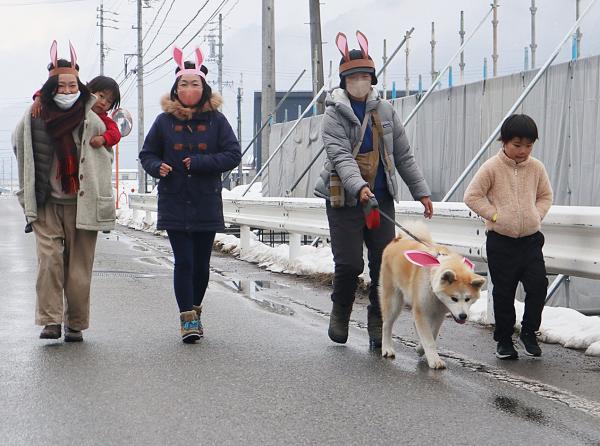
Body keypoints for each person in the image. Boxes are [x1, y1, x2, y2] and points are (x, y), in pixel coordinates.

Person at [314, 31, 433, 349]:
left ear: (372, 77)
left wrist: (421, 192)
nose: (359, 81)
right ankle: (340, 311)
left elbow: (403, 155)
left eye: (364, 75)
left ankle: (378, 322)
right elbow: (340, 157)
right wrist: (360, 188)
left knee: (384, 263)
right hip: (344, 200)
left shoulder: (387, 111)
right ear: (344, 80)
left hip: (381, 199)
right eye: (353, 76)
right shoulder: (332, 116)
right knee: (350, 264)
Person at [12, 41, 115, 342]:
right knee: (49, 263)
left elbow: (108, 145)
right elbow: (19, 146)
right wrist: (29, 188)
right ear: (49, 85)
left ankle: (76, 324)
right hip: (47, 202)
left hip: (83, 202)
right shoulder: (35, 114)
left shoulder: (91, 117)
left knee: (79, 269)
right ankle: (51, 321)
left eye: (73, 85)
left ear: (80, 85)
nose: (68, 91)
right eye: (61, 85)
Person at [140, 47, 241, 343]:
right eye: (183, 84)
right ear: (175, 88)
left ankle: (195, 309)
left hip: (206, 201)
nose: (188, 88)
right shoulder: (163, 122)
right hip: (174, 200)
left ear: (204, 87)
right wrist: (157, 167)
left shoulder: (217, 121)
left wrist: (200, 163)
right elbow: (147, 154)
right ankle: (187, 320)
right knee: (183, 261)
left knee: (200, 264)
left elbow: (233, 153)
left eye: (194, 83)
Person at [464, 114, 553, 359]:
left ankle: (528, 332)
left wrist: (537, 214)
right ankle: (504, 340)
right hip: (501, 241)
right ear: (503, 142)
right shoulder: (492, 167)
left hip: (531, 241)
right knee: (504, 292)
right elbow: (472, 196)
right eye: (517, 145)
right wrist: (494, 216)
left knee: (538, 286)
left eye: (528, 145)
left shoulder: (536, 168)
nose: (523, 151)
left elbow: (546, 195)